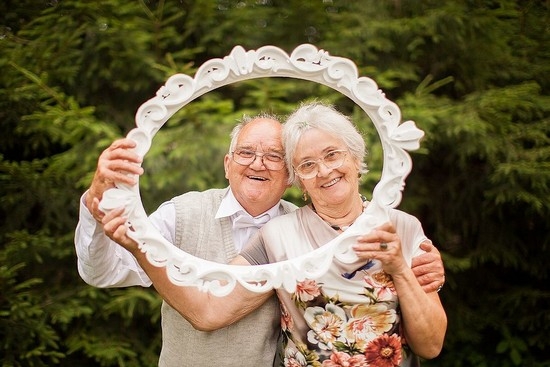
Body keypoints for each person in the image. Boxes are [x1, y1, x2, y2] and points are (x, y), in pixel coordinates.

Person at [100, 102, 446, 366]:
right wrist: (140, 246)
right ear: (299, 181)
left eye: (332, 155)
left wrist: (400, 268)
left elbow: (431, 345)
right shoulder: (277, 236)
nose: (324, 170)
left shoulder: (401, 226)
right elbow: (208, 313)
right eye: (307, 165)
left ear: (355, 160)